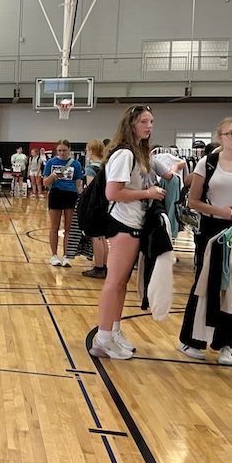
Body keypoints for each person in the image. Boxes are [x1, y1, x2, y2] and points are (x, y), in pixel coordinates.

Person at [90, 105, 168, 360]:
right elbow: (113, 193)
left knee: (121, 282)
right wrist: (148, 193)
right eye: (144, 121)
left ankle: (113, 330)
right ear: (131, 124)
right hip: (123, 223)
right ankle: (102, 339)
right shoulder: (124, 154)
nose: (149, 126)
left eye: (152, 122)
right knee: (114, 282)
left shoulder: (139, 152)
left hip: (134, 223)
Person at [178, 117, 232, 365]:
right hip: (212, 230)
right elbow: (193, 201)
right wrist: (221, 211)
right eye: (231, 133)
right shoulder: (208, 163)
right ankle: (191, 340)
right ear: (221, 137)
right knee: (205, 283)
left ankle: (227, 344)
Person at [42, 140, 84, 267]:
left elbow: (78, 184)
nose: (62, 153)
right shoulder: (51, 162)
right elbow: (45, 182)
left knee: (68, 228)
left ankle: (66, 255)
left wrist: (82, 198)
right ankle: (54, 255)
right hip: (56, 194)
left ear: (69, 150)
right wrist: (53, 176)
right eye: (59, 150)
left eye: (64, 150)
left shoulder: (75, 164)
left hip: (71, 195)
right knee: (54, 227)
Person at [82, 139, 109, 278]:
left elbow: (91, 190)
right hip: (106, 204)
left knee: (96, 237)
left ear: (91, 151)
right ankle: (104, 265)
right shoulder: (106, 166)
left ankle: (98, 267)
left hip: (95, 206)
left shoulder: (91, 169)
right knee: (103, 237)